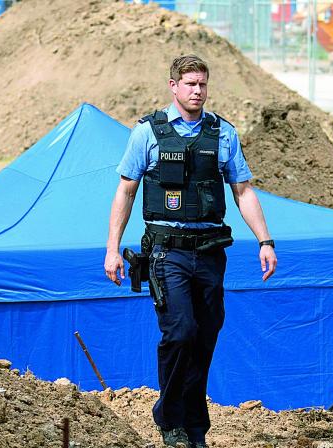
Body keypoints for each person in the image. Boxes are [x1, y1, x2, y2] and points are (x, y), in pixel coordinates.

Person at [104, 55, 277, 448]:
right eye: (190, 84)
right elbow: (126, 190)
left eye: (202, 84)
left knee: (205, 336)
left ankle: (194, 426)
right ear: (173, 87)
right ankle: (169, 418)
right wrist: (112, 249)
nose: (197, 91)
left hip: (211, 250)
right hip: (168, 253)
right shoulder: (147, 133)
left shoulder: (224, 134)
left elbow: (243, 191)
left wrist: (265, 241)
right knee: (180, 332)